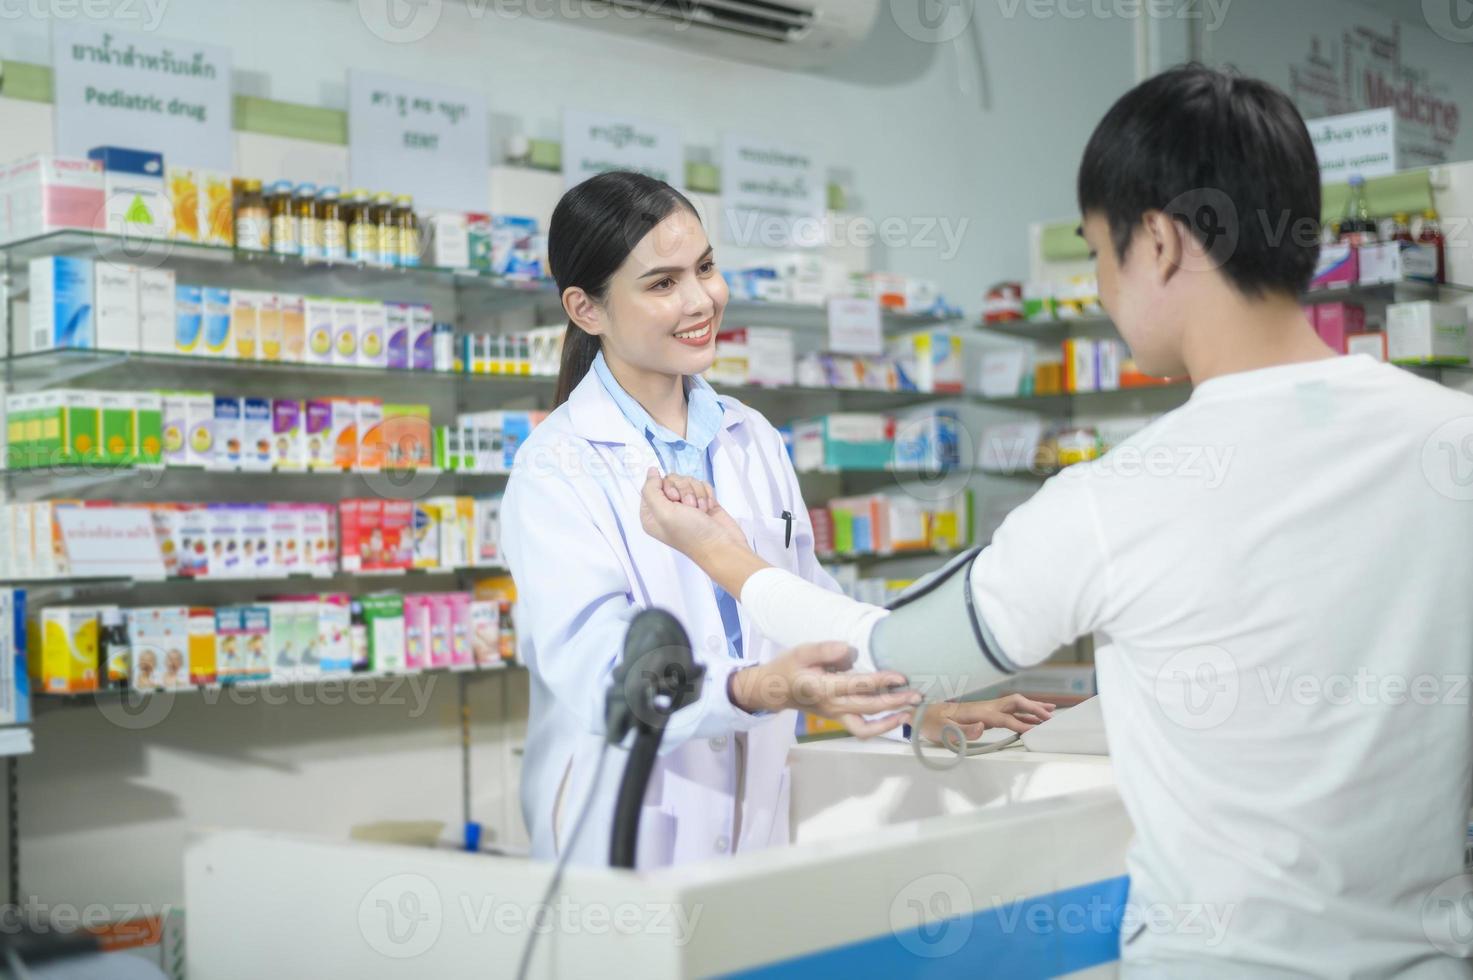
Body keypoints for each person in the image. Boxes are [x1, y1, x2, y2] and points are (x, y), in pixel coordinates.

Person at [637, 65, 1473, 976]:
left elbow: (888, 656)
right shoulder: (1450, 437)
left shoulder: (1122, 496)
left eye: (1096, 253)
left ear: (1155, 243)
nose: (1100, 291)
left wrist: (722, 553)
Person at [500, 171, 1052, 869]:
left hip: (754, 820)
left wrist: (913, 710)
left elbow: (804, 605)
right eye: (662, 283)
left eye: (704, 267)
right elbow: (600, 672)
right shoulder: (556, 466)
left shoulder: (748, 434)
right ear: (585, 310)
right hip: (618, 831)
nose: (701, 299)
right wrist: (755, 688)